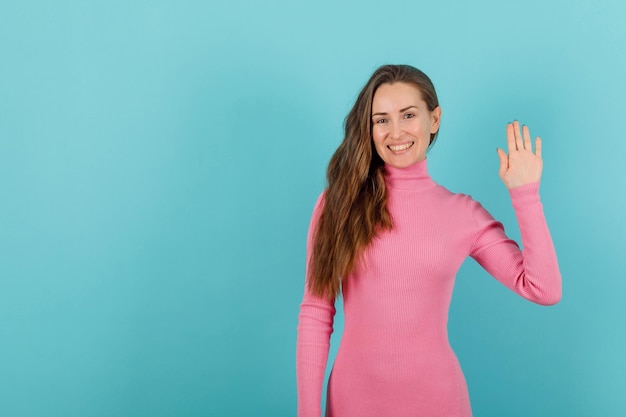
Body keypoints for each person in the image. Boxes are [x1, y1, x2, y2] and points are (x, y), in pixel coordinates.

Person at [295, 64, 562, 417]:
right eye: (381, 120)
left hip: (439, 403)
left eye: (408, 115)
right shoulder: (338, 205)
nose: (396, 132)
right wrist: (307, 412)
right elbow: (316, 312)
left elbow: (543, 289)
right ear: (369, 128)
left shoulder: (461, 213)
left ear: (434, 119)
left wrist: (525, 195)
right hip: (352, 403)